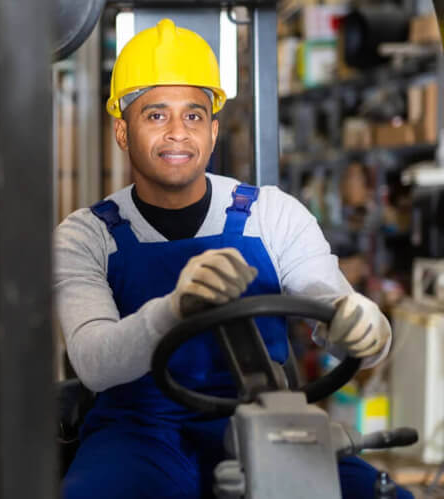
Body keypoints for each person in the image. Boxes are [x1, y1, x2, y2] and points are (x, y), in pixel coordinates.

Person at [55, 18, 410, 499]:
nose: (178, 133)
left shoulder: (273, 214)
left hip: (268, 418)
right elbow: (94, 361)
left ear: (214, 130)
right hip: (138, 433)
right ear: (122, 131)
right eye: (156, 115)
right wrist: (175, 309)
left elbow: (331, 304)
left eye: (194, 115)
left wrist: (365, 327)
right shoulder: (87, 235)